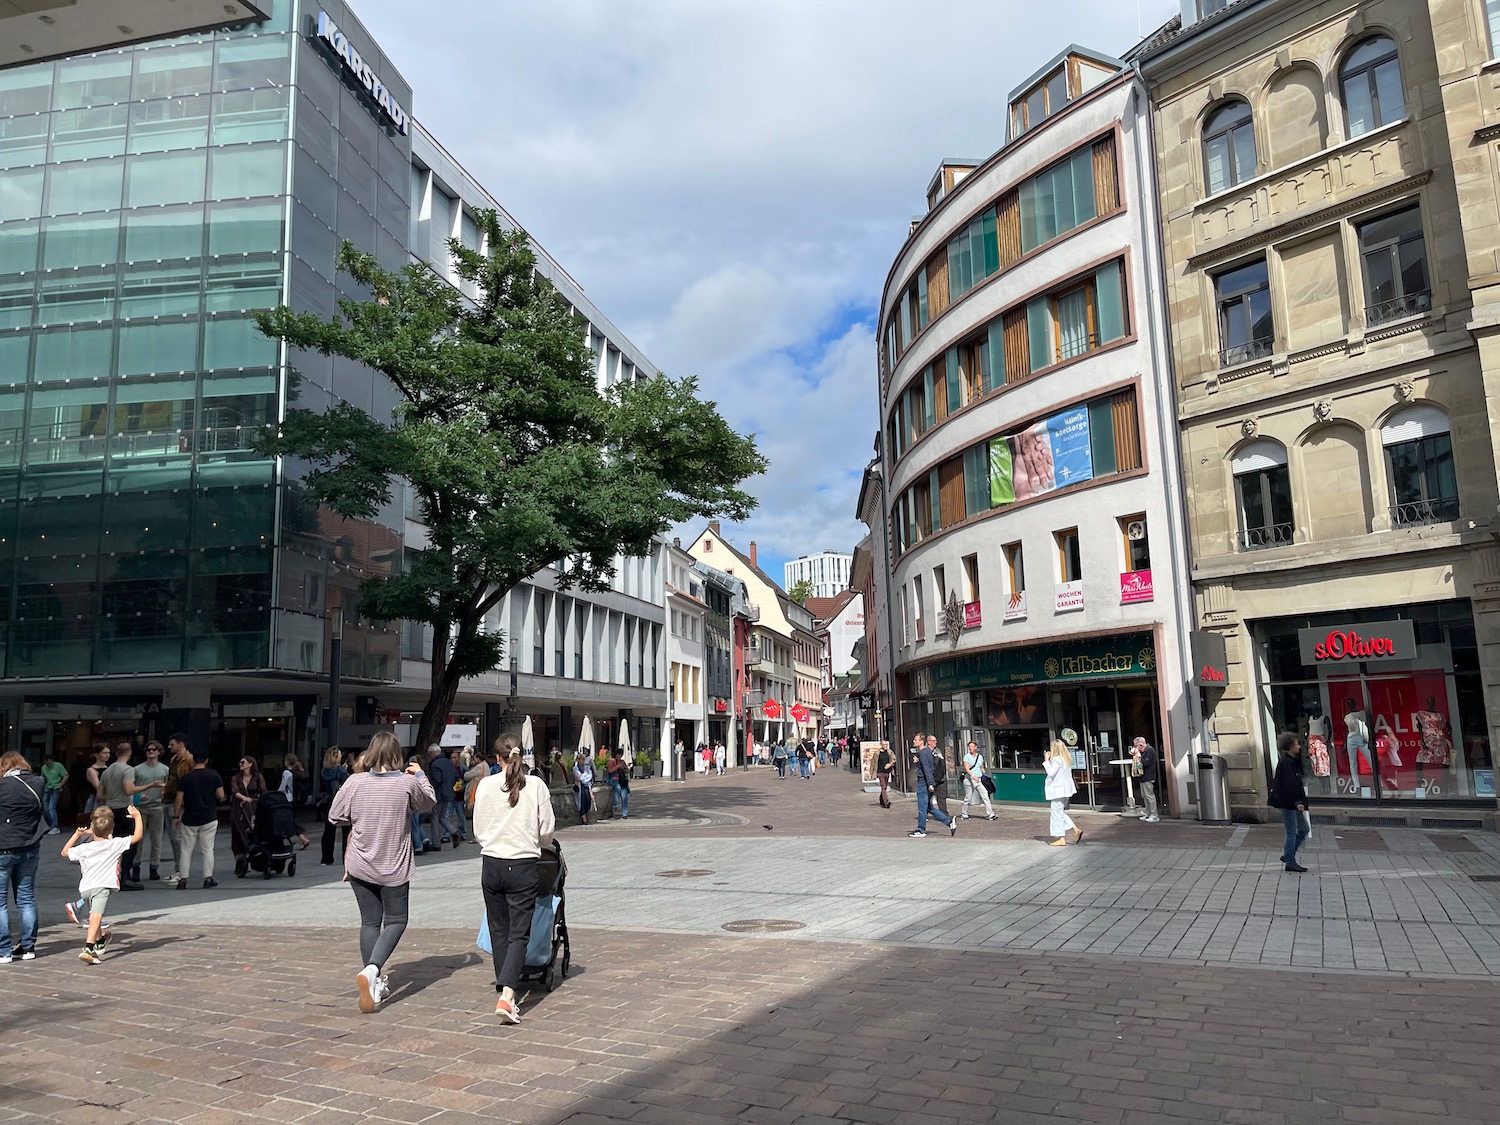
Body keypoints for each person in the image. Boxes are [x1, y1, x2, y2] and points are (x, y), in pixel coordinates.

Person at [328, 730, 436, 1014]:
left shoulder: (354, 781)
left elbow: (335, 816)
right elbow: (428, 804)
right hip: (393, 864)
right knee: (397, 920)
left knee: (369, 922)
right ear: (397, 754)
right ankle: (373, 969)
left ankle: (373, 982)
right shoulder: (406, 783)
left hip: (360, 863)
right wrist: (421, 775)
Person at [473, 736, 556, 1024]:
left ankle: (504, 983)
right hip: (523, 863)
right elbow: (547, 830)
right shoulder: (535, 786)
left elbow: (479, 828)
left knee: (499, 928)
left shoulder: (485, 785)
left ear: (497, 758)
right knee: (520, 931)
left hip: (492, 862)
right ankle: (508, 993)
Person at [63, 804, 141, 965]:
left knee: (94, 916)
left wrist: (76, 834)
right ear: (111, 830)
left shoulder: (85, 848)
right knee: (95, 917)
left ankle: (100, 940)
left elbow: (65, 852)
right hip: (102, 886)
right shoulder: (114, 845)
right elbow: (137, 836)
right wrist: (138, 817)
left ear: (92, 829)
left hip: (85, 887)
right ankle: (88, 948)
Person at [0, 752, 46, 963]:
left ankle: (4, 950)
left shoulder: (3, 786)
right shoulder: (38, 782)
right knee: (26, 898)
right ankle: (28, 947)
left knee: (0, 902)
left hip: (4, 848)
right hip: (30, 846)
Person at [173, 746, 225, 889]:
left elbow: (179, 799)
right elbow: (221, 795)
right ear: (206, 760)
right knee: (208, 849)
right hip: (209, 816)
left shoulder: (185, 778)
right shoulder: (214, 775)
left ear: (194, 760)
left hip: (190, 818)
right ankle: (208, 878)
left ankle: (183, 879)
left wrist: (176, 816)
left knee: (186, 849)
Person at [99, 743, 149, 891]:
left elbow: (100, 794)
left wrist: (112, 796)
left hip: (110, 809)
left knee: (112, 843)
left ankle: (109, 876)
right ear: (130, 753)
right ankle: (125, 877)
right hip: (125, 808)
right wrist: (150, 785)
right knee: (130, 843)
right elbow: (128, 790)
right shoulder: (128, 770)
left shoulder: (107, 771)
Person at [1270, 731, 1311, 873]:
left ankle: (1288, 855)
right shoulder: (1286, 763)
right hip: (1288, 802)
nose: (1299, 747)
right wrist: (1298, 802)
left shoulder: (1291, 761)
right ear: (1289, 746)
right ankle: (1290, 860)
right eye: (1296, 744)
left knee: (1303, 829)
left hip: (1291, 802)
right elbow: (1290, 784)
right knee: (1292, 831)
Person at [130, 742, 171, 881]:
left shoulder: (165, 770)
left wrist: (164, 790)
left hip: (157, 806)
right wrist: (137, 796)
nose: (151, 752)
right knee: (138, 839)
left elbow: (169, 786)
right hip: (140, 807)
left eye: (154, 750)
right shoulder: (138, 769)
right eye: (148, 750)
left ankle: (154, 867)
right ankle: (136, 866)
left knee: (156, 838)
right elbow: (131, 787)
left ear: (159, 752)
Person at [908, 734, 956, 839]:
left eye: (915, 739)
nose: (913, 741)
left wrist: (930, 783)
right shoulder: (926, 753)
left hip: (923, 784)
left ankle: (921, 830)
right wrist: (918, 763)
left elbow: (927, 770)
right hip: (925, 783)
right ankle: (949, 822)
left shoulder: (923, 753)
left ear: (922, 741)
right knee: (929, 808)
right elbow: (926, 767)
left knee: (922, 808)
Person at [1044, 740, 1081, 847]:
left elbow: (1051, 773)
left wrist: (1046, 761)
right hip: (1065, 790)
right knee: (1059, 812)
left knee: (1056, 815)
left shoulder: (1056, 760)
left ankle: (1061, 838)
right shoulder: (1066, 759)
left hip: (1058, 790)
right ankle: (1075, 829)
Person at [428, 745, 466, 848]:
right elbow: (455, 777)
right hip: (448, 793)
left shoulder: (435, 764)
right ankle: (454, 832)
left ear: (432, 753)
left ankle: (436, 843)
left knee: (435, 817)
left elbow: (436, 780)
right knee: (442, 817)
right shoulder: (448, 763)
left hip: (439, 794)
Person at [230, 756, 266, 862]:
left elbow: (263, 790)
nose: (240, 764)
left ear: (250, 764)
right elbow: (235, 791)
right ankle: (239, 858)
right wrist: (244, 798)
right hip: (239, 806)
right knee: (237, 831)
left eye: (243, 762)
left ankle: (251, 851)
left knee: (252, 829)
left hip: (253, 805)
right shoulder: (236, 778)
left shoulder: (258, 777)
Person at [320, 746, 350, 866]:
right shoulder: (340, 770)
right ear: (336, 757)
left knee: (328, 830)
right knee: (346, 830)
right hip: (341, 801)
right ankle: (346, 856)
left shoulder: (324, 771)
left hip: (329, 800)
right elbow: (348, 781)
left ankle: (326, 858)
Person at [959, 739, 998, 821]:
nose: (970, 748)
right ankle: (964, 813)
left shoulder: (980, 757)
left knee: (985, 794)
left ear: (975, 747)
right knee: (968, 797)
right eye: (969, 746)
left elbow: (981, 766)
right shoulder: (966, 757)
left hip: (978, 779)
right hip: (969, 779)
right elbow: (967, 769)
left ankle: (990, 813)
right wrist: (973, 775)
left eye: (972, 746)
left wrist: (984, 773)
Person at [1132, 736, 1161, 823]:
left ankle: (1154, 815)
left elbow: (1146, 763)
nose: (1136, 748)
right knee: (1144, 796)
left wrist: (1139, 756)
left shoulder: (1149, 750)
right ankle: (1148, 813)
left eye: (1136, 746)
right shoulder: (1144, 751)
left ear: (1140, 745)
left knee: (1150, 796)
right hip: (1143, 777)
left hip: (1148, 777)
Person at [39, 752, 67, 835]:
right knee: (46, 807)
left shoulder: (58, 766)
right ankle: (50, 824)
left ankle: (55, 826)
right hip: (47, 788)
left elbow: (66, 775)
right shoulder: (44, 767)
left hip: (56, 788)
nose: (47, 763)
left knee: (51, 807)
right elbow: (43, 777)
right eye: (45, 762)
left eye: (48, 761)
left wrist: (60, 784)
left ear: (52, 760)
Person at [926, 734, 950, 815]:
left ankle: (944, 814)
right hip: (930, 778)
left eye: (936, 740)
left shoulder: (938, 751)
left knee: (942, 797)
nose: (936, 742)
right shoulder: (925, 752)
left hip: (940, 778)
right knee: (927, 798)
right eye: (934, 741)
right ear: (929, 742)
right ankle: (924, 814)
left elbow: (942, 763)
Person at [605, 747, 630, 819]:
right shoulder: (612, 761)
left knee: (624, 796)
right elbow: (610, 771)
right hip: (613, 779)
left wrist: (626, 769)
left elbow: (627, 771)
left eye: (621, 755)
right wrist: (617, 766)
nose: (619, 756)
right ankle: (615, 805)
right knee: (618, 788)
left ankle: (625, 813)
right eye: (618, 755)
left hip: (622, 780)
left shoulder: (622, 762)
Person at [83, 746, 109, 816]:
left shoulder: (109, 769)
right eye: (104, 753)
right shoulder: (91, 770)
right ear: (97, 755)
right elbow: (98, 786)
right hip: (95, 799)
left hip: (108, 798)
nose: (107, 755)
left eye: (108, 753)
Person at [572, 750, 595, 825]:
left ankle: (585, 814)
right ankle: (583, 817)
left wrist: (585, 777)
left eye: (584, 759)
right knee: (582, 801)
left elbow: (589, 776)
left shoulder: (587, 767)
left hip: (586, 785)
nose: (583, 761)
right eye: (582, 759)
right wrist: (584, 777)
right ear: (578, 760)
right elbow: (579, 777)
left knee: (588, 800)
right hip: (580, 786)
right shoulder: (575, 768)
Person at [876, 743, 894, 809]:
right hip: (880, 772)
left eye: (886, 744)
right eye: (884, 744)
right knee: (883, 787)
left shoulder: (889, 752)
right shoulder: (877, 753)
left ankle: (881, 799)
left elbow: (894, 759)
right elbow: (874, 762)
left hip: (887, 772)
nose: (886, 745)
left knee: (885, 787)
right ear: (881, 745)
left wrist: (890, 764)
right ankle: (886, 802)